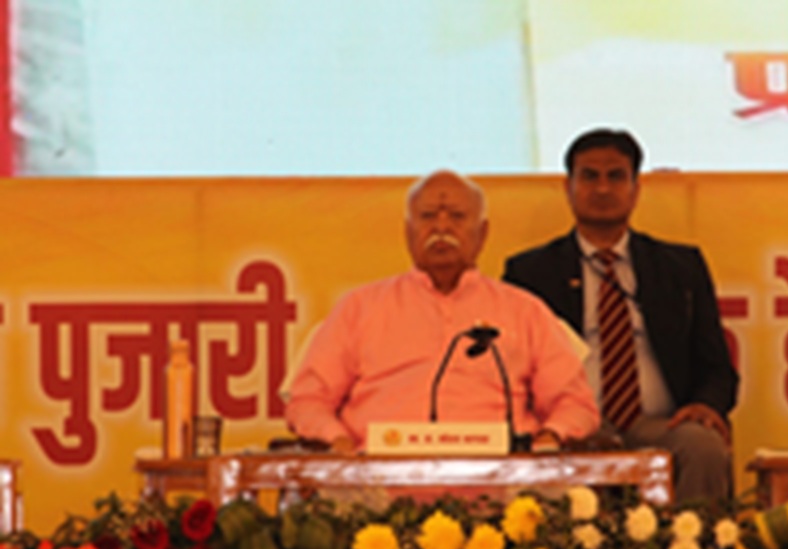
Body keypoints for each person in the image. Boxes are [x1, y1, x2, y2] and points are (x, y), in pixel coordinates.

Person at [286, 170, 600, 453]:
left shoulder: (525, 310)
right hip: (375, 481)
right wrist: (337, 441)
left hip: (502, 484)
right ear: (408, 231)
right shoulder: (359, 307)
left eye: (457, 216)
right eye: (427, 216)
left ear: (482, 233)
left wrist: (550, 436)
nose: (441, 226)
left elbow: (574, 404)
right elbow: (308, 401)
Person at [502, 128, 738, 502]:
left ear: (635, 189)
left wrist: (706, 406)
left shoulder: (679, 267)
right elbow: (512, 368)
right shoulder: (531, 272)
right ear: (568, 188)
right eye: (589, 176)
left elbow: (717, 368)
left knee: (702, 445)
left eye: (616, 177)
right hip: (573, 426)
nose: (602, 188)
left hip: (661, 424)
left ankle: (699, 541)